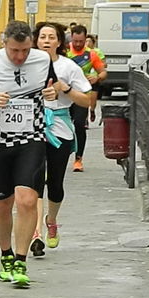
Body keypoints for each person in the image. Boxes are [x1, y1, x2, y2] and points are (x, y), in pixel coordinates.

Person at [0, 20, 58, 287]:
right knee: (2, 203)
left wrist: (51, 92)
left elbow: (51, 87)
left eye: (24, 51)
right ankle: (5, 254)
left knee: (27, 199)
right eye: (13, 51)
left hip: (31, 138)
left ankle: (21, 260)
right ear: (3, 44)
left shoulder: (43, 60)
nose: (19, 57)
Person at [30, 22, 91, 257]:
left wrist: (64, 89)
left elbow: (86, 101)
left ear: (59, 42)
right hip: (32, 128)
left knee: (54, 183)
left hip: (59, 128)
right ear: (36, 40)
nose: (46, 40)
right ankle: (34, 233)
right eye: (42, 36)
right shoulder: (26, 66)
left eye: (51, 37)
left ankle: (51, 220)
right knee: (33, 180)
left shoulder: (68, 66)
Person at [66, 24, 107, 172]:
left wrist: (96, 78)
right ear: (71, 37)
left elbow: (103, 72)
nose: (78, 44)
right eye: (75, 41)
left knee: (79, 125)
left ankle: (78, 159)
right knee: (61, 126)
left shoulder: (91, 54)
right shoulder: (64, 52)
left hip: (82, 95)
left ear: (85, 39)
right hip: (64, 95)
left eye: (81, 42)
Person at [85, 33, 106, 120]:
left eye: (89, 41)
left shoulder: (97, 52)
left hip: (94, 78)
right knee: (85, 99)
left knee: (93, 99)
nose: (87, 43)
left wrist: (98, 66)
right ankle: (85, 119)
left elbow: (104, 64)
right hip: (85, 78)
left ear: (93, 43)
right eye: (86, 41)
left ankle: (92, 110)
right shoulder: (81, 52)